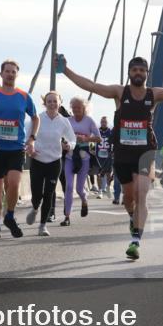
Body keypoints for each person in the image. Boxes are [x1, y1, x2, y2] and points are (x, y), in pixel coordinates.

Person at [58, 54, 163, 260]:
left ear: (147, 73)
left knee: (141, 194)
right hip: (122, 154)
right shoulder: (119, 92)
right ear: (129, 73)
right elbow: (91, 85)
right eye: (134, 70)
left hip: (144, 153)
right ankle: (132, 217)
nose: (138, 73)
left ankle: (135, 240)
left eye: (142, 70)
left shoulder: (153, 94)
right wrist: (66, 70)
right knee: (128, 199)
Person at [0, 60, 39, 240]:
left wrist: (32, 139)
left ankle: (10, 216)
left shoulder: (24, 96)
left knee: (14, 183)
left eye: (13, 72)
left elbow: (35, 119)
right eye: (7, 71)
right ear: (1, 74)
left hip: (16, 148)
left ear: (17, 75)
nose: (10, 74)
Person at [25, 92, 76, 236]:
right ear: (45, 103)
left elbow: (72, 140)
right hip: (37, 160)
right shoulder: (38, 118)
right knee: (37, 195)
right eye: (49, 101)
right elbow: (27, 137)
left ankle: (42, 226)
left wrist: (69, 146)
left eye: (55, 101)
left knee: (49, 193)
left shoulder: (64, 121)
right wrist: (30, 149)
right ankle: (35, 208)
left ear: (60, 103)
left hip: (54, 162)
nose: (52, 104)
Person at [61, 97, 102, 226]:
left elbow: (99, 139)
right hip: (70, 157)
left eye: (79, 107)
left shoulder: (89, 121)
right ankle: (67, 216)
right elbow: (60, 136)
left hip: (84, 158)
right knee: (68, 186)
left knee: (79, 189)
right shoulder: (67, 121)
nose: (76, 110)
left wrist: (85, 139)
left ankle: (84, 200)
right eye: (74, 107)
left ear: (84, 108)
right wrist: (64, 143)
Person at [95, 116, 114, 198]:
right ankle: (100, 191)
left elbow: (114, 142)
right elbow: (93, 141)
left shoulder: (110, 132)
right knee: (99, 174)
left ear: (107, 123)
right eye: (102, 122)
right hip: (99, 156)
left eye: (105, 122)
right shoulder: (97, 131)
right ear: (100, 122)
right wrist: (92, 149)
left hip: (108, 156)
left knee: (108, 173)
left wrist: (113, 151)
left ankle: (108, 188)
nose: (103, 123)